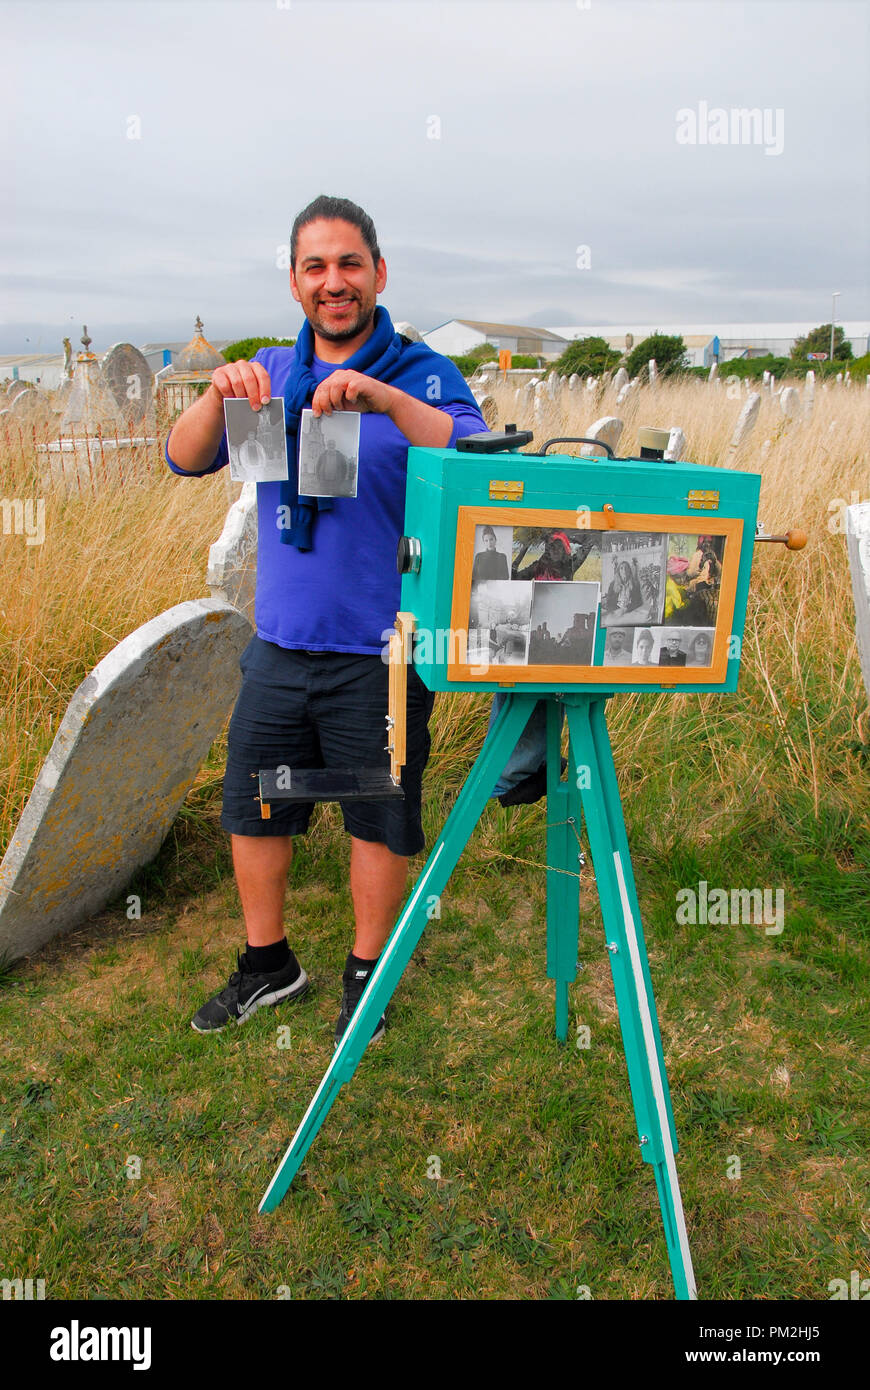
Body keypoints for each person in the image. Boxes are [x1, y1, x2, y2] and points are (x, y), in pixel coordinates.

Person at [166, 195, 486, 1043]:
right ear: (296, 281)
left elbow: (471, 453)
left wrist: (381, 399)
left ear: (379, 273)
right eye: (316, 267)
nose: (334, 282)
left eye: (350, 264)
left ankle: (364, 973)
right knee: (256, 805)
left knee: (375, 814)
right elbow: (186, 456)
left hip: (383, 651)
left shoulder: (421, 371)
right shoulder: (272, 366)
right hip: (281, 643)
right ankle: (269, 965)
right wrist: (217, 393)